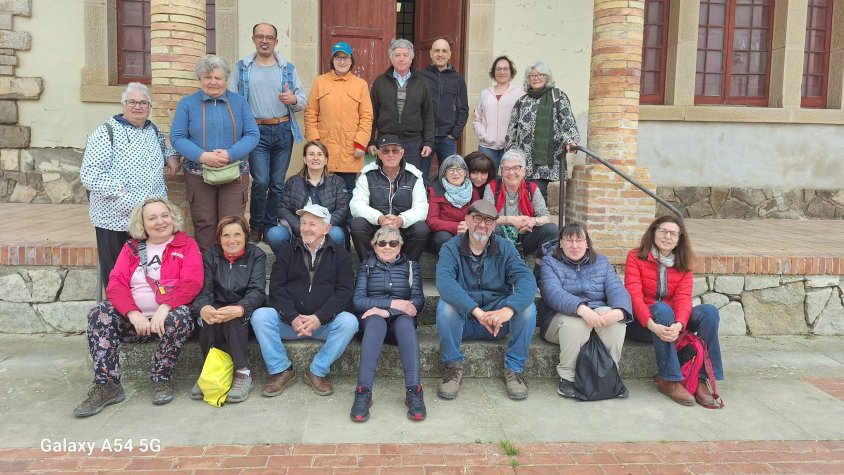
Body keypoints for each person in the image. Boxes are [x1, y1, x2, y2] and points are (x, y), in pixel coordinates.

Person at [74, 198, 202, 417]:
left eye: (165, 215)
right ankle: (107, 385)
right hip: (136, 324)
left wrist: (165, 307)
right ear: (142, 224)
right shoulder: (131, 247)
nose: (160, 222)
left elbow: (192, 282)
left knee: (180, 315)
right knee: (99, 313)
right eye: (152, 218)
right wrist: (133, 313)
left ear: (173, 218)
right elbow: (115, 284)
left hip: (169, 323)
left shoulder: (186, 245)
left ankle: (161, 378)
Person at [251, 204, 358, 397]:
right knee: (260, 316)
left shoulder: (341, 255)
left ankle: (317, 371)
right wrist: (292, 317)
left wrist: (319, 317)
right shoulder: (287, 251)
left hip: (324, 325)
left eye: (313, 224)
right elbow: (277, 288)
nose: (306, 228)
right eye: (303, 223)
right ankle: (281, 370)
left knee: (350, 322)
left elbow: (344, 292)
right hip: (291, 324)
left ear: (326, 228)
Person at [435, 200, 537, 400]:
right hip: (465, 320)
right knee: (446, 306)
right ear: (466, 220)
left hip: (498, 321)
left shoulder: (506, 248)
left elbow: (526, 279)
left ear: (495, 225)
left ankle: (514, 369)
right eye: (477, 218)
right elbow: (445, 283)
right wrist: (476, 311)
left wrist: (508, 310)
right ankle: (453, 367)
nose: (482, 225)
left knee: (528, 309)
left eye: (489, 221)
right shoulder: (450, 248)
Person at [81, 82, 180, 284]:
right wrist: (122, 193)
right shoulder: (106, 132)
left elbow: (163, 148)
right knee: (118, 275)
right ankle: (118, 313)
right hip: (116, 218)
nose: (138, 106)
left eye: (143, 103)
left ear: (149, 107)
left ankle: (143, 311)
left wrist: (170, 157)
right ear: (123, 105)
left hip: (148, 220)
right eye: (132, 102)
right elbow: (90, 174)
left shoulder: (153, 129)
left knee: (144, 275)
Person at [624, 216, 724, 408]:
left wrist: (679, 325)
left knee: (709, 312)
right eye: (663, 231)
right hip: (642, 324)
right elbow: (633, 296)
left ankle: (701, 378)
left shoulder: (685, 262)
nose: (667, 236)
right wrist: (651, 324)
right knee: (661, 309)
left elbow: (683, 298)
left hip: (671, 324)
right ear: (653, 232)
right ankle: (669, 379)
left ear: (679, 239)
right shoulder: (635, 256)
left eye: (673, 233)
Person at [171, 54, 259, 252]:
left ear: (225, 79)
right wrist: (202, 156)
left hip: (234, 174)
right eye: (207, 77)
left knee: (232, 226)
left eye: (217, 78)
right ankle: (208, 273)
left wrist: (230, 153)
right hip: (198, 175)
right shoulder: (187, 104)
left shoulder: (239, 103)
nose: (212, 82)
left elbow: (253, 134)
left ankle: (231, 274)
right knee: (204, 225)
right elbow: (177, 137)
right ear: (200, 79)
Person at [538, 222, 633, 398]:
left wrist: (619, 311)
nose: (574, 245)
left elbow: (617, 289)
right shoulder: (549, 262)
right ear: (560, 243)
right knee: (576, 323)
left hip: (596, 318)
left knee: (617, 324)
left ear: (587, 243)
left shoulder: (602, 262)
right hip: (559, 320)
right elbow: (552, 293)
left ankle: (610, 374)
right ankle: (567, 378)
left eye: (579, 240)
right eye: (569, 240)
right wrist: (582, 309)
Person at [231, 22, 306, 243]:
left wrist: (292, 100)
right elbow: (233, 100)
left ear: (275, 41)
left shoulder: (288, 69)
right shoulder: (243, 67)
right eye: (260, 36)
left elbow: (302, 100)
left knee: (277, 182)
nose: (264, 40)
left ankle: (271, 225)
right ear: (254, 39)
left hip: (283, 129)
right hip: (255, 131)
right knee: (261, 181)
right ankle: (256, 226)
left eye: (269, 37)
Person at [351, 226, 425, 423]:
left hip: (399, 324)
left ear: (399, 246)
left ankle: (414, 390)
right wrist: (392, 303)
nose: (387, 247)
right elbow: (358, 301)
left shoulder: (411, 267)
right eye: (381, 243)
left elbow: (417, 302)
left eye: (393, 243)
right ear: (374, 247)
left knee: (406, 323)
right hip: (372, 325)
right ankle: (363, 391)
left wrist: (388, 311)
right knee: (376, 322)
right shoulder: (366, 266)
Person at [191, 216, 267, 404]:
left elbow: (257, 292)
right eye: (226, 235)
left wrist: (241, 308)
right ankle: (210, 371)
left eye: (237, 235)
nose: (231, 240)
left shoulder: (256, 255)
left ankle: (243, 373)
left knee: (233, 317)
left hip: (244, 310)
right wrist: (204, 307)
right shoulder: (211, 256)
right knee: (209, 318)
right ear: (219, 238)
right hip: (217, 307)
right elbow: (205, 290)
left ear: (246, 236)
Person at [304, 41, 374, 197]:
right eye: (338, 58)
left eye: (345, 58)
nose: (342, 61)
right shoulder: (319, 82)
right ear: (332, 61)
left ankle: (346, 222)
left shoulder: (360, 85)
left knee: (347, 190)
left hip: (350, 148)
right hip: (324, 147)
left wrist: (361, 144)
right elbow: (310, 113)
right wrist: (315, 143)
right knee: (322, 190)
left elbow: (366, 116)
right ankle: (323, 221)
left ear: (351, 60)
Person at [505, 60, 580, 200]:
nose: (536, 78)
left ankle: (539, 221)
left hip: (545, 158)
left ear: (547, 77)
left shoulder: (557, 97)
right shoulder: (522, 101)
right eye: (532, 75)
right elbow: (512, 129)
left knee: (538, 192)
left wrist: (571, 141)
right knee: (523, 193)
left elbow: (567, 120)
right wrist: (510, 152)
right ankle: (528, 220)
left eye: (540, 75)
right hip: (524, 156)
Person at [350, 134, 429, 262]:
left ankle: (406, 266)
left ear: (402, 153)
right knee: (358, 224)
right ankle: (369, 266)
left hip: (402, 227)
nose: (391, 154)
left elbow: (421, 208)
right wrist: (379, 218)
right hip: (376, 226)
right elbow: (356, 205)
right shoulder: (367, 174)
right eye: (386, 151)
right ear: (379, 154)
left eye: (395, 150)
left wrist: (402, 220)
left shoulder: (414, 175)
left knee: (421, 229)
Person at [265, 141, 349, 254]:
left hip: (326, 229)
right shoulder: (293, 182)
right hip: (299, 230)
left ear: (326, 160)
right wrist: (298, 227)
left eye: (320, 154)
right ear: (305, 159)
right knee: (275, 234)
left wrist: (322, 227)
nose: (315, 158)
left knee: (336, 234)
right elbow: (282, 208)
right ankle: (292, 263)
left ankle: (327, 266)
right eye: (311, 154)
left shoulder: (337, 182)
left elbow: (342, 209)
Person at [368, 39, 435, 176]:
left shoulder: (422, 82)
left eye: (405, 55)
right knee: (385, 178)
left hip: (413, 143)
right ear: (391, 58)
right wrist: (371, 141)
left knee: (410, 179)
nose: (401, 59)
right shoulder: (380, 82)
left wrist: (428, 142)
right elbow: (372, 114)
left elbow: (428, 114)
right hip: (386, 142)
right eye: (397, 55)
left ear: (411, 58)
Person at [483, 149, 558, 258]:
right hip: (501, 236)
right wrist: (511, 220)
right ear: (501, 171)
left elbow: (545, 217)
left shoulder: (531, 188)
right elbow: (486, 217)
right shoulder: (492, 188)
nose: (511, 172)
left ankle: (539, 268)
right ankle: (500, 266)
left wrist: (533, 221)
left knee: (551, 229)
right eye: (506, 169)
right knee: (493, 228)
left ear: (524, 171)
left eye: (516, 168)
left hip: (526, 235)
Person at [419, 38, 469, 184]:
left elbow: (463, 110)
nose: (440, 54)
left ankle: (443, 206)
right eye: (437, 50)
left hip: (447, 139)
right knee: (420, 177)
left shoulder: (458, 79)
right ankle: (423, 205)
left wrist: (454, 134)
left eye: (444, 51)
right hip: (425, 137)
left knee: (448, 178)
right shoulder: (421, 77)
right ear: (431, 54)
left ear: (449, 54)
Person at [473, 55, 524, 167]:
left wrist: (515, 139)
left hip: (510, 147)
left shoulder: (519, 93)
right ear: (494, 72)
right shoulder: (485, 94)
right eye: (498, 69)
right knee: (486, 177)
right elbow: (477, 118)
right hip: (486, 147)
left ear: (511, 72)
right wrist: (483, 135)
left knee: (510, 178)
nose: (502, 72)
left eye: (505, 69)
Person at [425, 154, 478, 255]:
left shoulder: (472, 190)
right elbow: (431, 221)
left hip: (468, 229)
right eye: (450, 169)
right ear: (444, 173)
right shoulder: (435, 190)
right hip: (443, 233)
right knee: (444, 239)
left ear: (466, 172)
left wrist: (469, 226)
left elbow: (478, 214)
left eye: (460, 169)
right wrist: (457, 226)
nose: (455, 173)